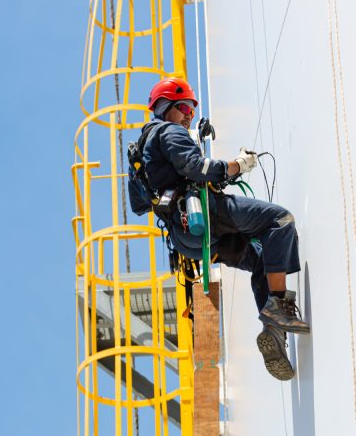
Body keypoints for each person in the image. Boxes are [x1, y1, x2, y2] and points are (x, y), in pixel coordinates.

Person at [129, 77, 310, 381]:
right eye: (184, 106)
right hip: (204, 212)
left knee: (261, 259)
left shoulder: (145, 153)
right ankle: (278, 306)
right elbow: (197, 169)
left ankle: (273, 331)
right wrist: (238, 165)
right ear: (164, 108)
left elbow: (143, 203)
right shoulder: (168, 132)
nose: (188, 114)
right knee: (280, 222)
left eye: (191, 109)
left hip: (188, 237)